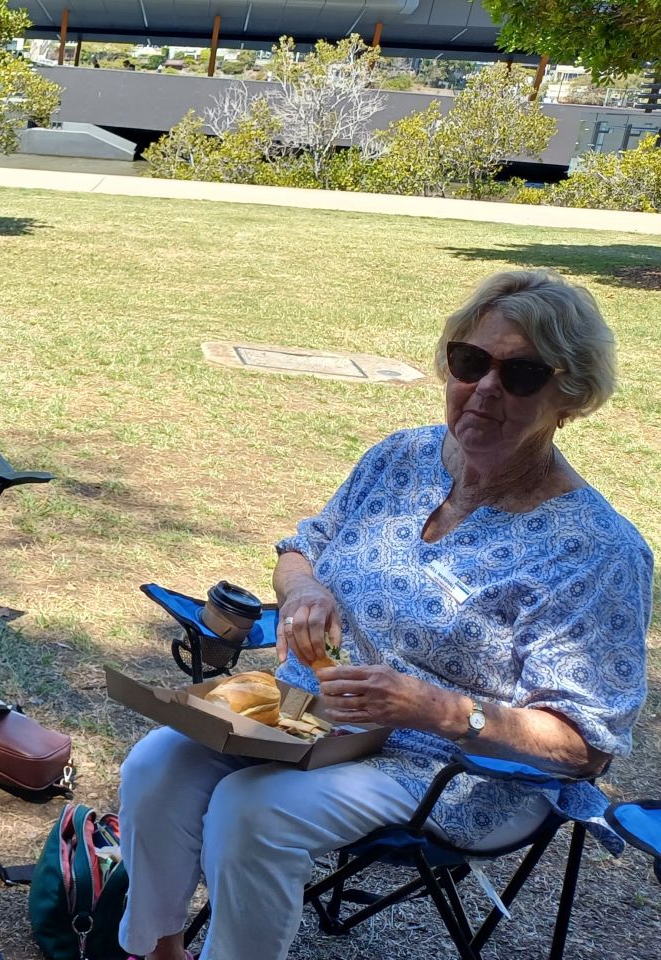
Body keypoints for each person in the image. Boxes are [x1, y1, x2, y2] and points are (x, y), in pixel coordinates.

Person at [117, 270, 653, 960]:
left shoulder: (597, 551)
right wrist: (305, 589)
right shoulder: (400, 457)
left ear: (569, 398)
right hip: (313, 719)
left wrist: (437, 708)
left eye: (521, 375)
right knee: (157, 763)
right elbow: (300, 547)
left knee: (251, 812)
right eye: (470, 362)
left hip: (461, 772)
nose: (485, 388)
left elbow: (585, 746)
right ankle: (155, 949)